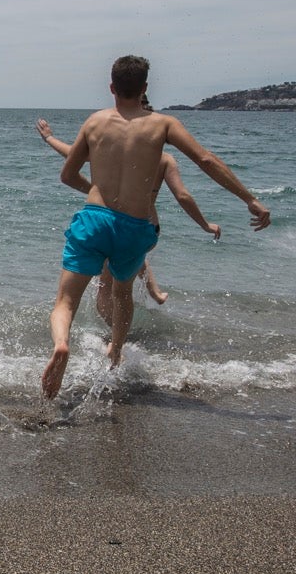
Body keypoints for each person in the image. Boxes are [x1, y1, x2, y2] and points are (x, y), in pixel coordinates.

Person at [43, 55, 270, 399]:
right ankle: (116, 354)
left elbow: (67, 174)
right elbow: (206, 159)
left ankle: (61, 345)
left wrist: (94, 190)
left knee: (65, 302)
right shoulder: (163, 125)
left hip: (94, 219)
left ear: (111, 87)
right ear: (146, 87)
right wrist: (249, 198)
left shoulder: (94, 123)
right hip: (136, 226)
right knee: (122, 294)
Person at [36, 116, 220, 308]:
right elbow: (182, 196)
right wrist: (204, 225)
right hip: (148, 229)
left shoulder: (117, 154)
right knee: (132, 251)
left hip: (118, 225)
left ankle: (121, 336)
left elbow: (73, 155)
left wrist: (49, 139)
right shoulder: (165, 159)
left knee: (105, 293)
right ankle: (154, 292)